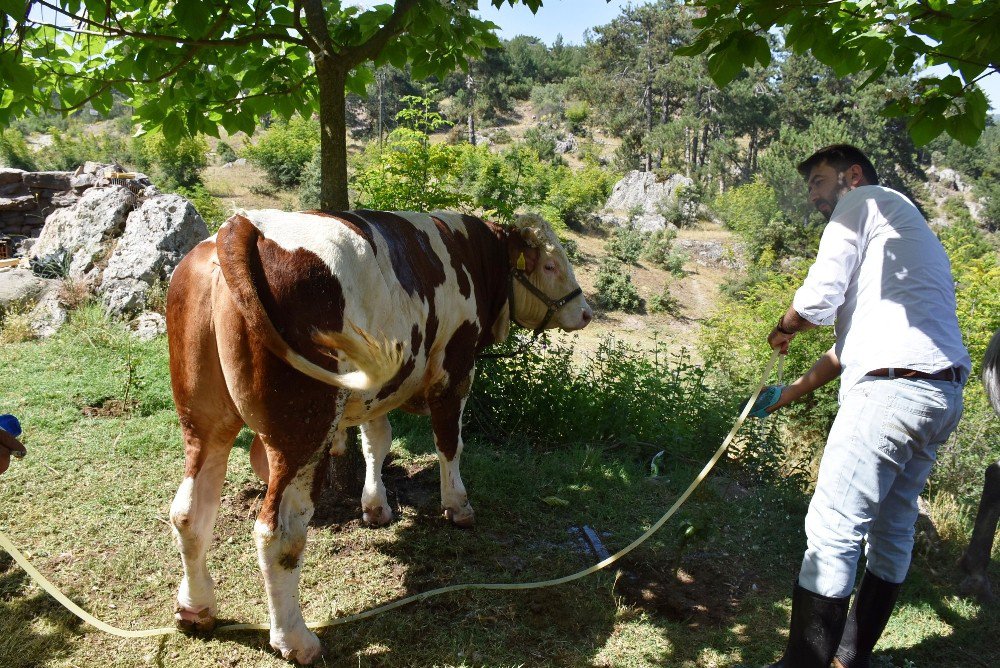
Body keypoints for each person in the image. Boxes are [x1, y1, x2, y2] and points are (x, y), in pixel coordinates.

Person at [759, 145, 970, 668]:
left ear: (852, 176)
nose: (814, 195)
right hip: (940, 394)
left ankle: (801, 664)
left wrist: (784, 327)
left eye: (819, 181)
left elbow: (816, 300)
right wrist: (787, 394)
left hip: (890, 391)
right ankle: (851, 655)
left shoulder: (865, 201)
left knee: (833, 530)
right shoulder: (907, 233)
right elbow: (845, 349)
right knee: (893, 529)